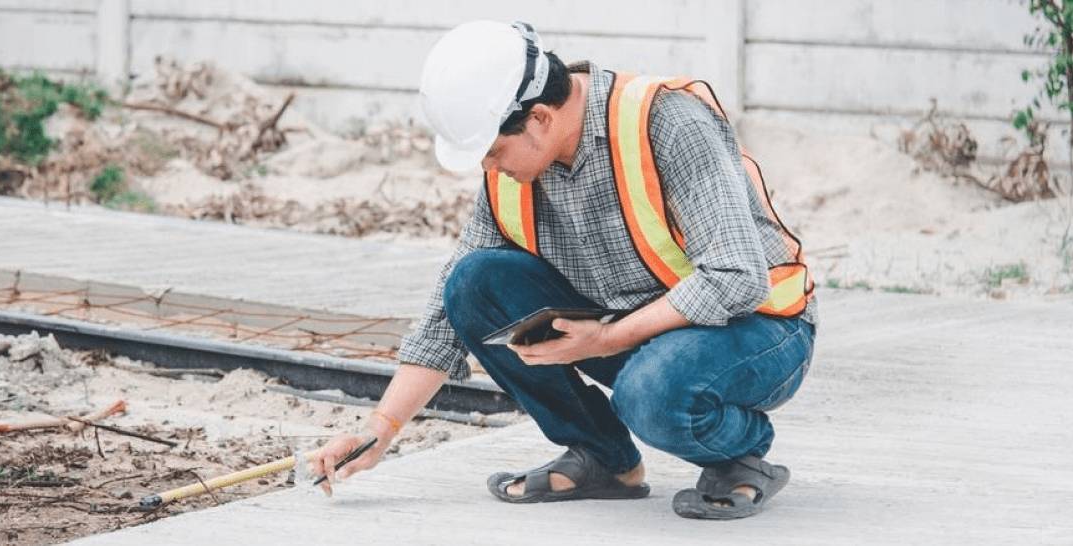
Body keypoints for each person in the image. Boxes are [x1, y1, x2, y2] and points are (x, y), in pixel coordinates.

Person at [309, 19, 817, 520]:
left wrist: (607, 339)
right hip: (635, 330)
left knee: (653, 391)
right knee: (473, 283)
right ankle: (603, 460)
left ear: (540, 119)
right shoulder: (516, 167)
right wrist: (382, 426)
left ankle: (738, 455)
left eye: (492, 151)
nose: (489, 168)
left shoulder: (668, 124)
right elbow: (450, 301)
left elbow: (736, 277)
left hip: (757, 328)